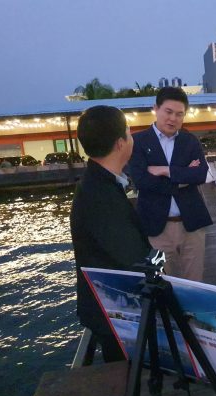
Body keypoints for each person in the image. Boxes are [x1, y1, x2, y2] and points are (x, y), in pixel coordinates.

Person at [70, 105, 151, 362]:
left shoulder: (97, 183)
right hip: (115, 312)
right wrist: (157, 260)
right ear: (120, 143)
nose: (132, 136)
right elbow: (130, 256)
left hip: (113, 307)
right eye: (128, 131)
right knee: (125, 373)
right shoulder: (100, 195)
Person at [129, 87, 212, 281]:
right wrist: (182, 177)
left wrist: (165, 171)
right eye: (168, 112)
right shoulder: (138, 142)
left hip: (192, 224)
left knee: (195, 282)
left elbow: (200, 174)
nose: (173, 118)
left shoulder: (190, 141)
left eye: (179, 114)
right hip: (156, 228)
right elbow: (141, 180)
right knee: (162, 282)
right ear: (156, 109)